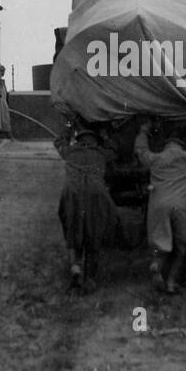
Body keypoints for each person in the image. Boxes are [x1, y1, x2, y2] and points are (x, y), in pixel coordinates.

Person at [135, 120, 186, 294]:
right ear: (182, 144)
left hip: (159, 204)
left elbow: (141, 150)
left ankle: (156, 264)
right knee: (183, 247)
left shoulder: (156, 159)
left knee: (161, 243)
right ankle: (172, 282)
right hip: (181, 206)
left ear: (166, 144)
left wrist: (144, 130)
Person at [55, 125, 121, 292]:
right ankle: (90, 278)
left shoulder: (69, 151)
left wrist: (68, 129)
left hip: (72, 193)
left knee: (73, 227)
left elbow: (58, 142)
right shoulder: (101, 154)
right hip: (96, 193)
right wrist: (106, 136)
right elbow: (115, 150)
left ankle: (75, 267)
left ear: (79, 140)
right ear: (95, 141)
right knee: (94, 230)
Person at [0, 64, 12, 140]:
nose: (2, 73)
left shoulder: (2, 82)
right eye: (1, 71)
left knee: (5, 119)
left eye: (3, 71)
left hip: (3, 103)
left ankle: (8, 136)